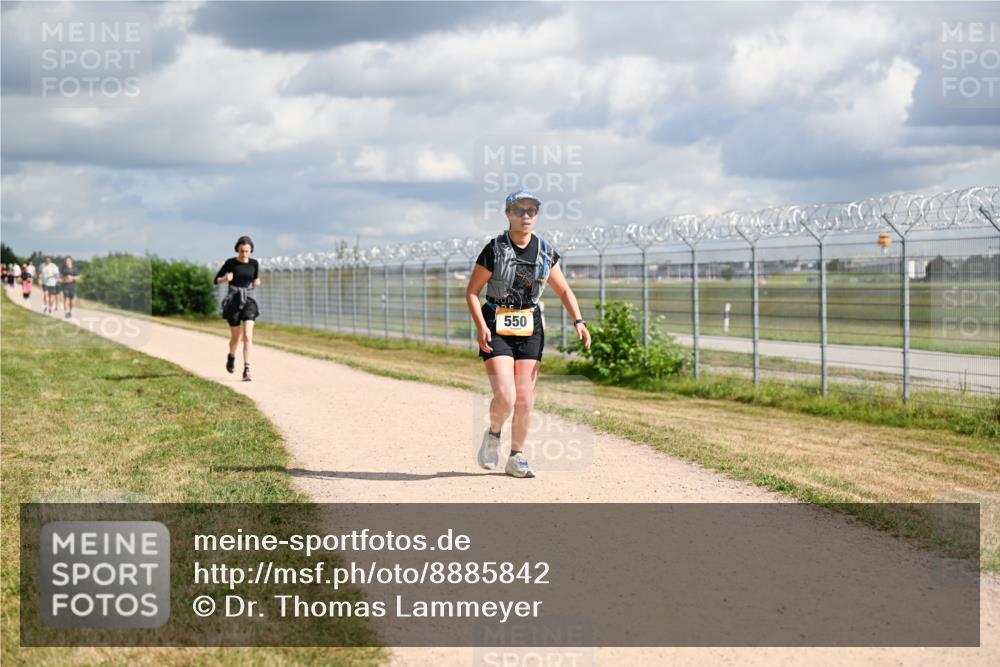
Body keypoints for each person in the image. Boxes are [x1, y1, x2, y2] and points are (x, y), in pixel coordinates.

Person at [465, 190, 591, 478]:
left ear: (536, 215)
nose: (525, 216)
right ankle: (494, 434)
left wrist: (579, 321)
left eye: (531, 211)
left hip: (529, 327)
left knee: (525, 399)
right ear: (508, 214)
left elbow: (564, 290)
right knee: (506, 396)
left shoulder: (545, 252)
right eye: (519, 210)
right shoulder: (495, 249)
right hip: (496, 325)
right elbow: (472, 292)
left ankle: (516, 456)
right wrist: (481, 326)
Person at [215, 236, 261, 381]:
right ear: (237, 249)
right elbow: (216, 280)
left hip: (249, 299)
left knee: (248, 335)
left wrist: (257, 281)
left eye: (247, 251)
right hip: (233, 300)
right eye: (242, 251)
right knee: (236, 337)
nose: (244, 254)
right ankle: (231, 355)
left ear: (251, 250)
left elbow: (255, 278)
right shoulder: (230, 263)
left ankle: (247, 369)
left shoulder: (254, 263)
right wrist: (224, 279)